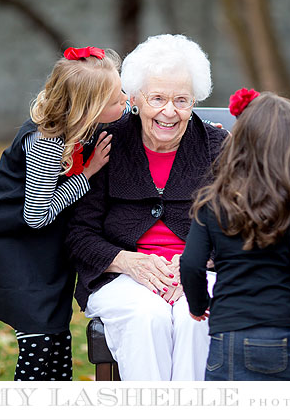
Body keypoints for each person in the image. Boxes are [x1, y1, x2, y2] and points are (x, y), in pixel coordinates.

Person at [66, 34, 227, 381]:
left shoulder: (217, 146)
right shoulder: (107, 143)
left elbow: (240, 227)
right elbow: (78, 233)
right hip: (119, 274)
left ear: (194, 100)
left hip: (203, 272)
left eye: (181, 100)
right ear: (136, 98)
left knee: (196, 316)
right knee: (146, 317)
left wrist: (198, 262)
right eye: (158, 98)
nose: (169, 111)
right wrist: (127, 262)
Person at [0, 46, 126, 381]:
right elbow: (37, 216)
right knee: (39, 343)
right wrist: (88, 175)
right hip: (16, 248)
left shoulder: (79, 123)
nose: (125, 102)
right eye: (117, 99)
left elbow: (135, 117)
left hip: (44, 250)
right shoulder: (46, 142)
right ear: (91, 109)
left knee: (57, 341)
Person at [181, 89, 290, 380]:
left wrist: (198, 304)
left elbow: (190, 263)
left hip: (224, 339)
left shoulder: (212, 201)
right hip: (281, 337)